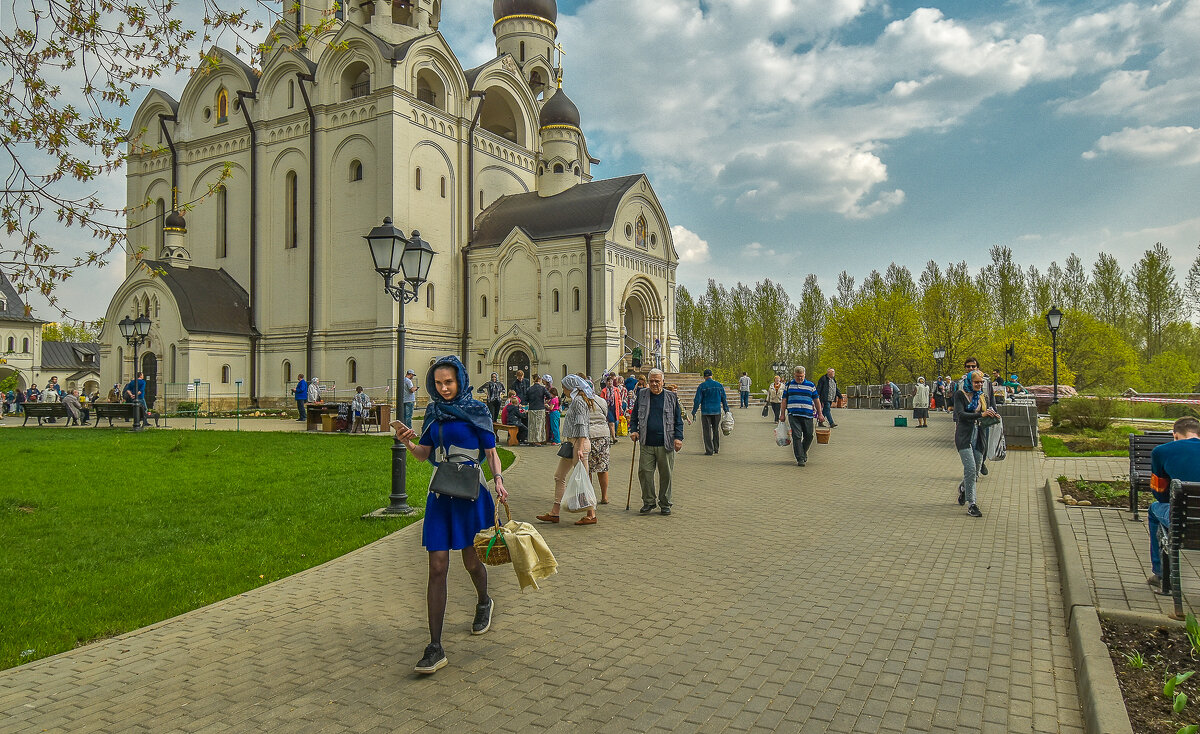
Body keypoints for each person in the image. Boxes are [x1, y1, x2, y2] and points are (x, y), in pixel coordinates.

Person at [391, 356, 507, 675]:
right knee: (438, 565)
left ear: (460, 381)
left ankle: (484, 600)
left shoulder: (477, 410)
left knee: (472, 561)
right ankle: (435, 646)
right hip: (442, 494)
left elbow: (492, 452)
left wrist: (498, 480)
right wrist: (408, 441)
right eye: (439, 383)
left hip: (470, 493)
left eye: (449, 383)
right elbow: (422, 455)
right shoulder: (433, 413)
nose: (443, 389)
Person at [537, 374, 599, 526]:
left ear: (571, 387)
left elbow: (582, 426)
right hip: (574, 444)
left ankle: (591, 514)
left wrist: (578, 447)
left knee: (582, 479)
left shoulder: (579, 401)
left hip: (579, 445)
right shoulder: (577, 400)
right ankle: (555, 512)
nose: (563, 389)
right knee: (559, 476)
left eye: (564, 386)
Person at [1146, 417, 1200, 588]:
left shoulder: (1162, 451)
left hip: (1182, 521)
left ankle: (1161, 573)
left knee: (1154, 509)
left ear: (1175, 435)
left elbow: (1159, 493)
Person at [629, 368, 685, 515]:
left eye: (657, 381)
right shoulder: (642, 395)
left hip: (665, 443)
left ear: (663, 382)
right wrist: (633, 430)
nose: (654, 384)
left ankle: (665, 503)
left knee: (666, 474)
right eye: (651, 381)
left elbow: (678, 420)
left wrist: (678, 438)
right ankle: (649, 502)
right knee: (645, 473)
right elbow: (634, 416)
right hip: (646, 442)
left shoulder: (671, 397)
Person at [954, 370, 998, 518]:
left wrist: (993, 415)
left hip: (979, 436)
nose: (979, 384)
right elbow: (960, 415)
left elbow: (987, 412)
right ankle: (972, 504)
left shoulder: (982, 397)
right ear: (969, 382)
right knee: (971, 468)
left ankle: (963, 487)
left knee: (976, 469)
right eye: (976, 382)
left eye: (981, 382)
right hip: (964, 436)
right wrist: (981, 414)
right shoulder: (960, 395)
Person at [781, 366, 822, 467]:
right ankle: (800, 458)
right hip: (793, 415)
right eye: (798, 376)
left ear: (805, 375)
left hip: (807, 415)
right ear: (794, 375)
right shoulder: (789, 385)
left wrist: (820, 413)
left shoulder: (810, 385)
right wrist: (782, 414)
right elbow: (784, 400)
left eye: (802, 376)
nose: (800, 378)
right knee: (797, 436)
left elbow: (816, 400)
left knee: (809, 435)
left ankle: (802, 452)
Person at [586, 381, 613, 505]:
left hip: (588, 435)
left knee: (588, 469)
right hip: (603, 434)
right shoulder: (601, 401)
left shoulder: (582, 402)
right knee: (603, 467)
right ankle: (605, 496)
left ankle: (589, 496)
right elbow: (606, 414)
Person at [691, 369, 729, 455]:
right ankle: (716, 448)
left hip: (706, 411)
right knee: (716, 430)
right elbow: (724, 399)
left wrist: (694, 411)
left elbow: (697, 400)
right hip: (717, 411)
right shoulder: (719, 385)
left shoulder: (702, 386)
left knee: (707, 431)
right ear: (711, 375)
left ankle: (709, 450)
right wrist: (727, 410)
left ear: (704, 377)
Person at [525, 375, 549, 445]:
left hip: (532, 408)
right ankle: (538, 440)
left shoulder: (529, 389)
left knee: (532, 425)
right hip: (540, 408)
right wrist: (544, 401)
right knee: (539, 425)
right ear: (540, 380)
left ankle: (532, 440)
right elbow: (549, 396)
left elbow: (526, 399)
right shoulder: (542, 388)